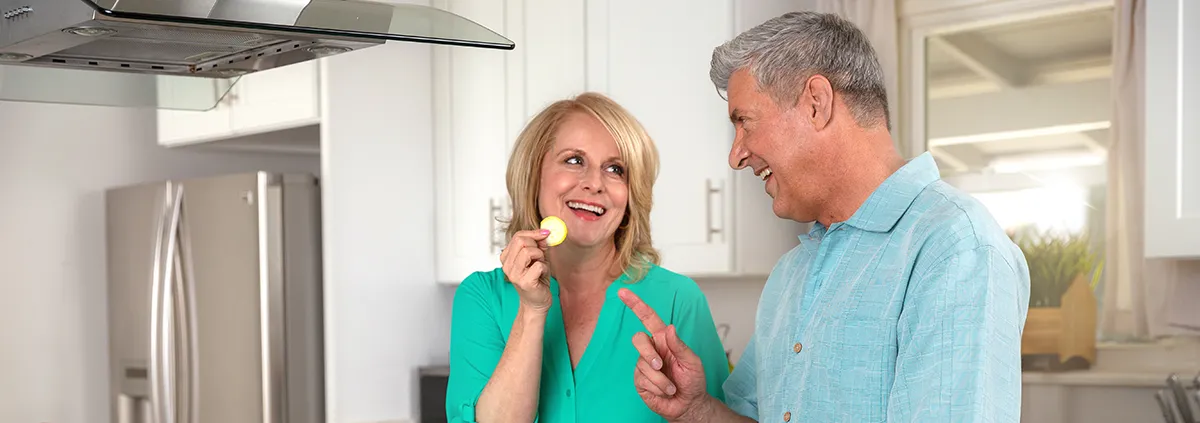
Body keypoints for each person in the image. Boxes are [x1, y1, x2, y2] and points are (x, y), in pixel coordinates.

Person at [619, 11, 1031, 422]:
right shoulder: (793, 273)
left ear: (817, 103)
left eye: (744, 121)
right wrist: (698, 410)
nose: (736, 155)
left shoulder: (953, 247)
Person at [446, 92, 731, 423]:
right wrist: (532, 311)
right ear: (533, 174)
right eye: (573, 160)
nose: (595, 183)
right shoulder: (482, 298)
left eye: (615, 169)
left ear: (630, 194)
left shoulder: (677, 301)